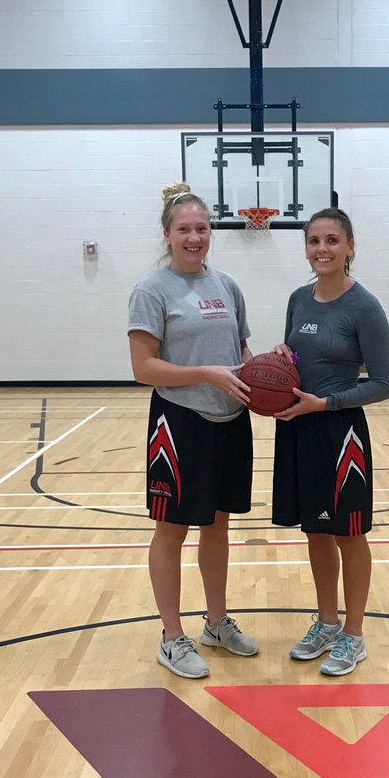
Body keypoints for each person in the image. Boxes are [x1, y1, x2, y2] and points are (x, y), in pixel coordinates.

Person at [128, 183, 259, 679]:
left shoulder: (227, 286)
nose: (194, 237)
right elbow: (143, 368)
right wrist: (205, 372)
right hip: (179, 423)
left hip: (230, 420)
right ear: (168, 234)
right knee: (171, 529)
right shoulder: (152, 290)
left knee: (218, 524)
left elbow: (241, 354)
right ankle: (171, 635)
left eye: (201, 228)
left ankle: (217, 621)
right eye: (184, 229)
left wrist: (269, 374)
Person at [271, 207, 389, 676]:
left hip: (340, 434)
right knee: (316, 532)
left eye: (332, 240)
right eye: (314, 241)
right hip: (298, 429)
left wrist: (325, 404)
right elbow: (293, 364)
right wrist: (282, 356)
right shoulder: (298, 299)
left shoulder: (364, 307)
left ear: (350, 247)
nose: (322, 249)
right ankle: (326, 621)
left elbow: (382, 384)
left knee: (349, 534)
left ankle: (354, 634)